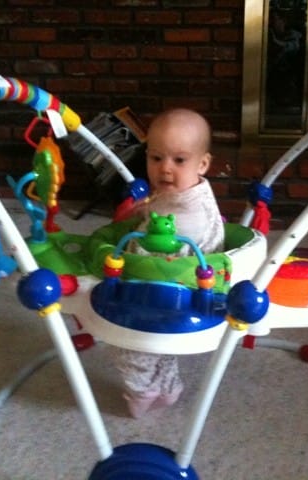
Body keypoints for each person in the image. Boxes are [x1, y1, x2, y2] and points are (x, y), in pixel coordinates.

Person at [113, 108, 225, 418]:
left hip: (176, 293)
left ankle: (142, 391)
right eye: (156, 158)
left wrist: (127, 256)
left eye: (179, 160)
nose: (165, 169)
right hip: (177, 288)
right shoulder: (183, 191)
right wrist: (143, 210)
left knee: (127, 340)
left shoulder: (190, 218)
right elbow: (159, 209)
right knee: (160, 347)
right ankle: (168, 387)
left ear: (203, 164)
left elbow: (153, 262)